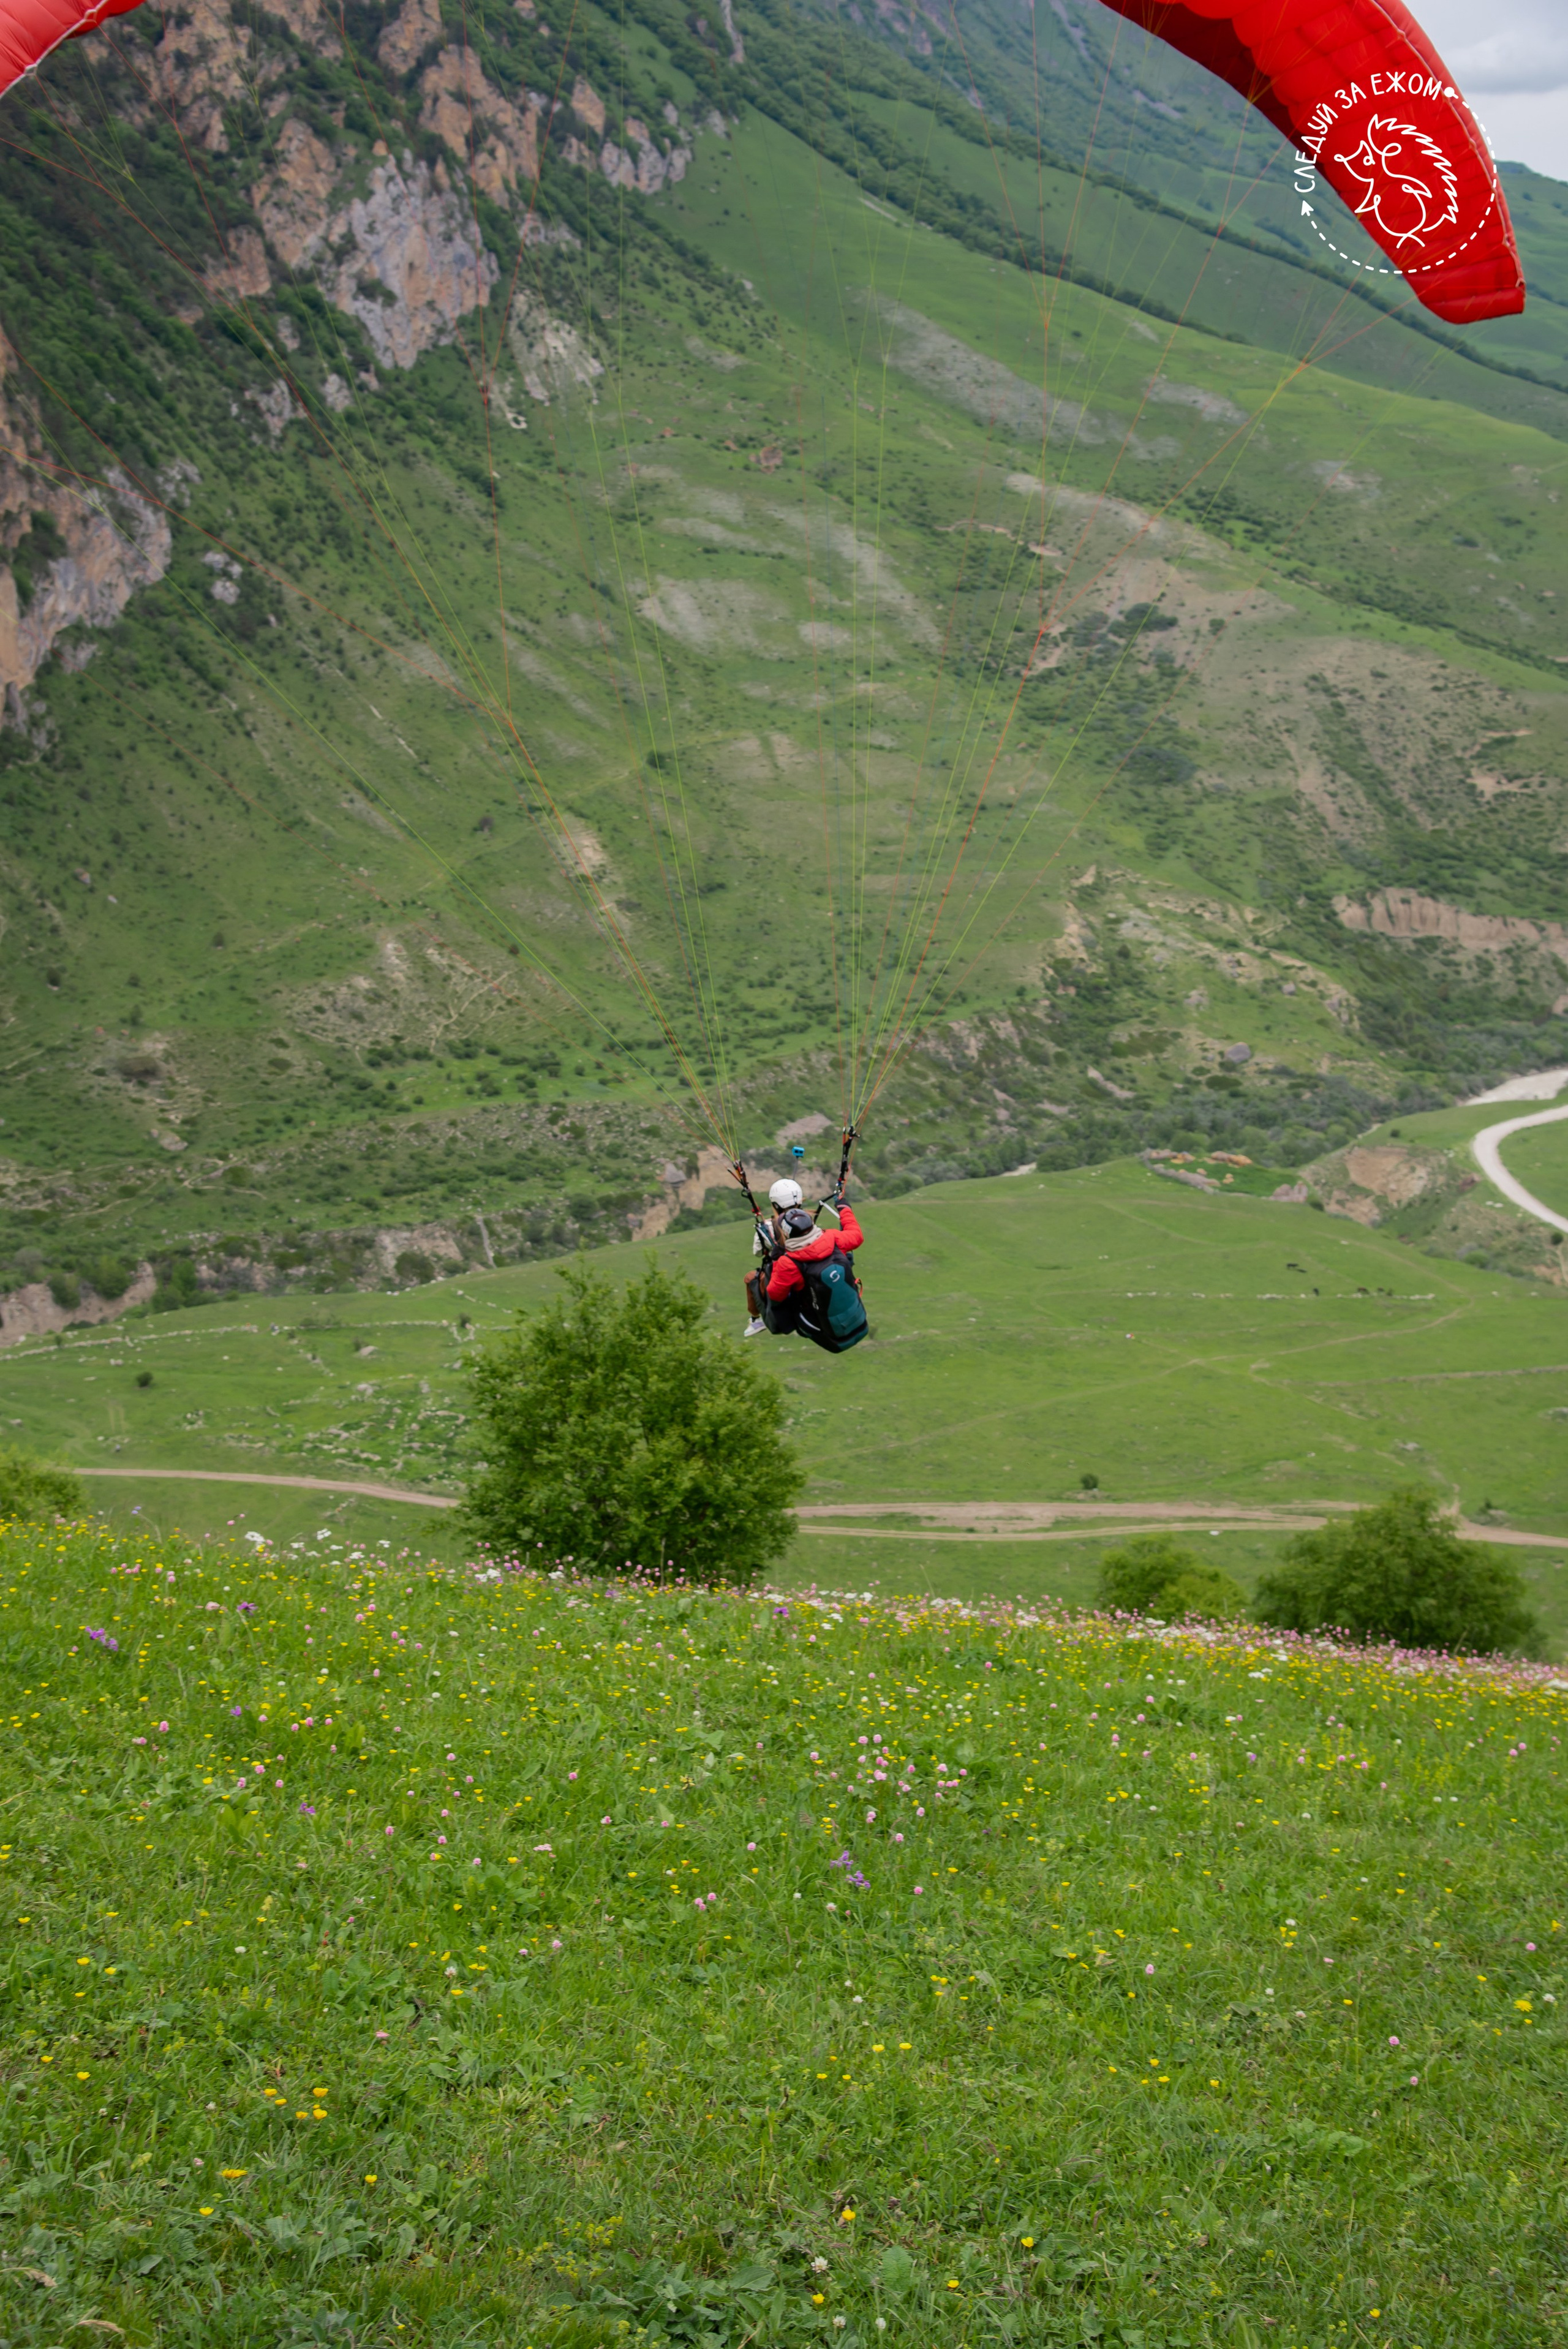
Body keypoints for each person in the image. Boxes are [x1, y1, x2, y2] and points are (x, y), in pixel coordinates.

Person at [744, 1177, 867, 1352]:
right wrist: (843, 1207)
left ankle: (757, 1322)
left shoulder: (789, 1263)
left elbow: (775, 1295)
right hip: (856, 1319)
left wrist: (779, 1256)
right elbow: (856, 1235)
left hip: (817, 1324)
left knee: (756, 1281)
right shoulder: (832, 1238)